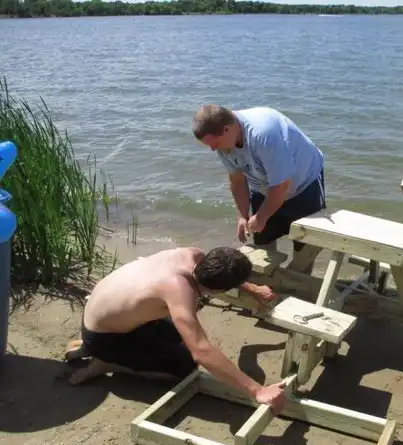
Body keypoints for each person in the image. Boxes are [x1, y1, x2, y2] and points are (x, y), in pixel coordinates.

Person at [64, 246, 288, 414]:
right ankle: (107, 362)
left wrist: (253, 289)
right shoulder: (178, 290)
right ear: (217, 290)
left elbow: (222, 272)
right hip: (104, 336)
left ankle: (91, 348)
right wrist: (258, 391)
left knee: (176, 336)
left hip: (99, 314)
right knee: (186, 366)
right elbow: (202, 352)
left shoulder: (193, 255)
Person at [192, 105, 326, 273]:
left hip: (304, 183)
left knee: (305, 247)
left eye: (215, 144)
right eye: (209, 145)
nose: (213, 149)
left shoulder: (263, 135)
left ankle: (299, 280)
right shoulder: (224, 144)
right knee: (262, 244)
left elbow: (282, 185)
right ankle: (270, 281)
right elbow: (237, 181)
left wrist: (262, 215)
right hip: (263, 185)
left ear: (227, 129)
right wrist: (242, 215)